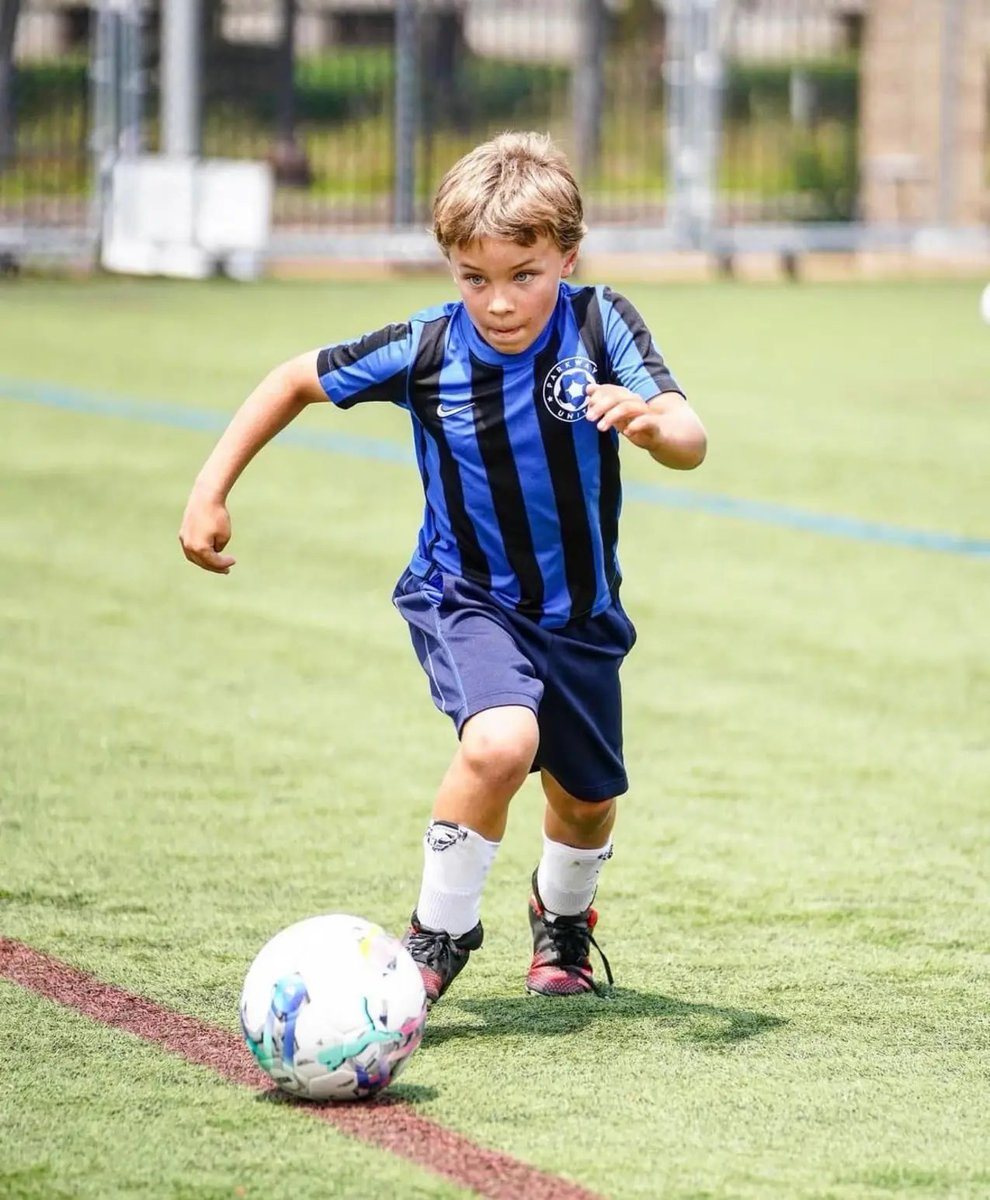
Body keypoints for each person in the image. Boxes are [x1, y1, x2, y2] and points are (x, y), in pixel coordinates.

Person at [179, 131, 707, 1006]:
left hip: (579, 615)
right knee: (501, 742)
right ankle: (438, 935)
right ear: (450, 267)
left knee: (586, 804)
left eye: (523, 275)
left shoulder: (599, 321)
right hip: (463, 593)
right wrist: (210, 489)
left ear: (566, 257)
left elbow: (690, 438)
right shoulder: (425, 348)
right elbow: (292, 379)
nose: (498, 301)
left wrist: (653, 424)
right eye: (474, 278)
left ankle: (562, 921)